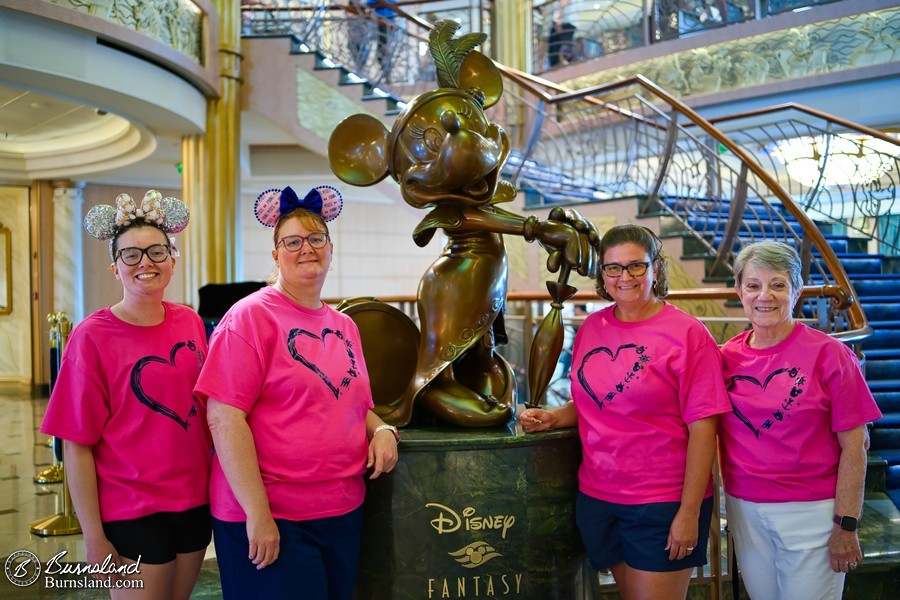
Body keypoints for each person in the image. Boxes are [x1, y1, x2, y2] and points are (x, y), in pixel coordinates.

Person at [194, 185, 399, 600]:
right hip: (274, 515)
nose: (307, 249)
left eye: (316, 239)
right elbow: (224, 416)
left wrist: (381, 431)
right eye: (292, 242)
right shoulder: (250, 316)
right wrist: (258, 514)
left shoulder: (344, 326)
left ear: (331, 247)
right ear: (275, 255)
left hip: (342, 510)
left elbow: (352, 405)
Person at [520, 224, 731, 599]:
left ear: (655, 269)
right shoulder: (592, 328)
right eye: (613, 268)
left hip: (661, 503)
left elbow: (704, 428)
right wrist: (555, 417)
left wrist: (688, 512)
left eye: (636, 266)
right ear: (602, 274)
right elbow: (596, 401)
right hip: (598, 497)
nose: (624, 277)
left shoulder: (688, 334)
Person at [41, 190, 211, 598]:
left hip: (194, 503)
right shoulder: (92, 336)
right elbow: (76, 444)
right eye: (131, 255)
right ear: (115, 268)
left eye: (156, 251)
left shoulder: (190, 322)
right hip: (130, 509)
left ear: (172, 259)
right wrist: (93, 537)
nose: (145, 263)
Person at [719, 241, 883, 600]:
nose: (765, 296)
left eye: (778, 284)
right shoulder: (725, 358)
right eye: (753, 285)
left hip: (812, 513)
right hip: (745, 509)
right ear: (739, 291)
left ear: (796, 292)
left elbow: (856, 447)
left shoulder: (830, 355)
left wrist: (846, 524)